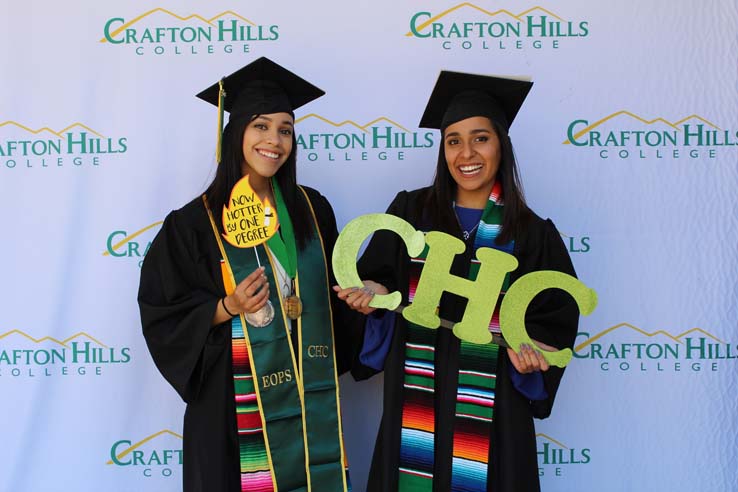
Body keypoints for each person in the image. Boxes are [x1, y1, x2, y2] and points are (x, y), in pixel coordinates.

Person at [334, 71, 580, 491]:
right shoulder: (411, 212)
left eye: (480, 138)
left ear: (501, 143)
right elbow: (379, 282)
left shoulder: (534, 234)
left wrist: (536, 352)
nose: (466, 152)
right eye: (453, 140)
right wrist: (373, 296)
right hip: (413, 408)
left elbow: (554, 320)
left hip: (495, 417)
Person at [138, 57, 354, 492]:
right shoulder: (192, 225)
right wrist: (226, 307)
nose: (274, 140)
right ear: (235, 132)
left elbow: (335, 300)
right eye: (260, 126)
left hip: (308, 396)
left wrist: (359, 297)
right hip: (231, 404)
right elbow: (163, 314)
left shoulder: (314, 211)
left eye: (285, 129)